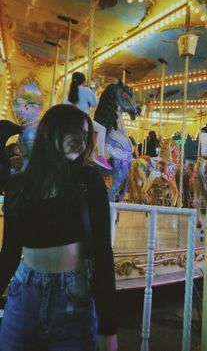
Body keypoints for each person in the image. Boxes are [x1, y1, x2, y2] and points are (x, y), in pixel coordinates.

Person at [0, 104, 118, 351]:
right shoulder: (21, 184)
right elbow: (10, 252)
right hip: (24, 294)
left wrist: (108, 328)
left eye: (85, 136)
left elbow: (102, 252)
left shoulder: (88, 180)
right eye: (73, 132)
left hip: (72, 295)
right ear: (50, 133)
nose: (81, 141)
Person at [67, 72, 112, 171]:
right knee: (102, 129)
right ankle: (100, 156)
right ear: (84, 81)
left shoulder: (70, 93)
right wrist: (95, 89)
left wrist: (94, 89)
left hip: (70, 122)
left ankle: (90, 152)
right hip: (83, 120)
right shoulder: (86, 90)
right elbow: (95, 103)